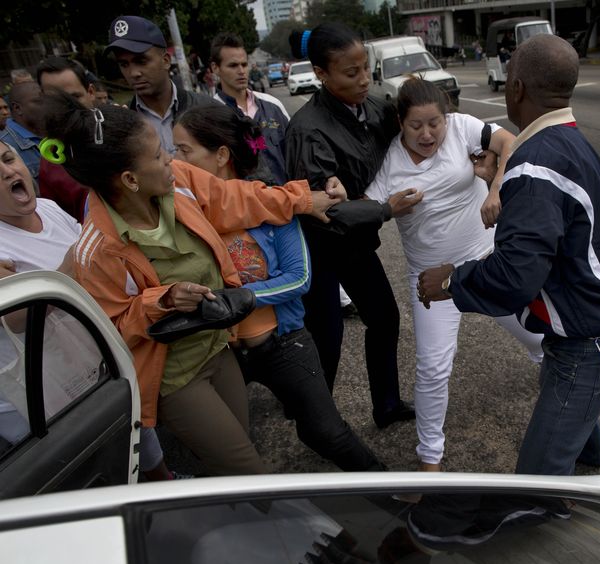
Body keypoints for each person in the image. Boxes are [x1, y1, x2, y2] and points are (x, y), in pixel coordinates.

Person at [41, 92, 344, 476]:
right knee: (250, 471)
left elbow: (236, 196)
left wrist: (303, 199)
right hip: (173, 377)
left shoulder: (179, 182)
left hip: (218, 347)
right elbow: (113, 325)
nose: (171, 158)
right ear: (130, 179)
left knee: (235, 458)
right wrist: (164, 299)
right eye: (157, 155)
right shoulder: (98, 249)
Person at [419, 35, 600, 476]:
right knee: (574, 428)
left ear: (516, 88)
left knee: (533, 486)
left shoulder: (535, 163)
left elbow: (514, 278)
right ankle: (582, 449)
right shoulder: (568, 142)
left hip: (593, 343)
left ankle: (556, 492)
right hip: (599, 329)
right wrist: (493, 184)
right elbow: (547, 234)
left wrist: (449, 281)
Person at [172, 104, 386, 472]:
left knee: (325, 433)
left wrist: (244, 298)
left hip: (283, 345)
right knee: (223, 449)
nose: (174, 161)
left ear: (221, 155)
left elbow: (299, 277)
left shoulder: (272, 204)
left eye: (184, 151)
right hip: (220, 353)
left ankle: (389, 488)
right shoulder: (184, 210)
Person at [364, 78, 543, 472]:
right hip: (432, 282)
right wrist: (386, 208)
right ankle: (430, 457)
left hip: (485, 262)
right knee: (433, 366)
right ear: (400, 122)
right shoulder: (390, 164)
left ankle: (552, 377)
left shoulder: (462, 127)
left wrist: (495, 185)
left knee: (538, 334)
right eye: (416, 126)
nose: (428, 134)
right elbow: (364, 210)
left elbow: (510, 142)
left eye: (435, 123)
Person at [0, 140, 186, 480]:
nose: (7, 171)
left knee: (134, 428)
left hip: (96, 350)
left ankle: (165, 483)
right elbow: (16, 317)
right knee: (94, 466)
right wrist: (71, 268)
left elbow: (98, 260)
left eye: (8, 158)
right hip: (44, 383)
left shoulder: (49, 208)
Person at [284, 23, 423, 430]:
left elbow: (416, 132)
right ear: (322, 74)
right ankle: (317, 423)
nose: (363, 80)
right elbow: (322, 210)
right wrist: (383, 208)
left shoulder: (376, 108)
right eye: (350, 72)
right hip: (317, 248)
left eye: (366, 68)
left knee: (384, 317)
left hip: (355, 244)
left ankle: (387, 405)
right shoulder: (308, 130)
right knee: (326, 338)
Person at [105, 15, 217, 155]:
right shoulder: (124, 124)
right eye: (124, 64)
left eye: (141, 61)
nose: (133, 73)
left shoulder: (207, 108)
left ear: (165, 61)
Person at [211, 33, 290, 184]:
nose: (241, 71)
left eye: (244, 64)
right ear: (216, 68)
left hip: (287, 202)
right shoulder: (210, 116)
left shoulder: (273, 106)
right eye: (233, 65)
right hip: (243, 205)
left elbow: (295, 154)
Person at [35, 56, 95, 222]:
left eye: (75, 97)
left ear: (90, 92)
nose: (68, 108)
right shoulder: (50, 163)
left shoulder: (126, 133)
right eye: (56, 100)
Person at [0, 81, 44, 182]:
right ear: (17, 108)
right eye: (39, 102)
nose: (46, 106)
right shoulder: (5, 145)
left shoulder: (54, 129)